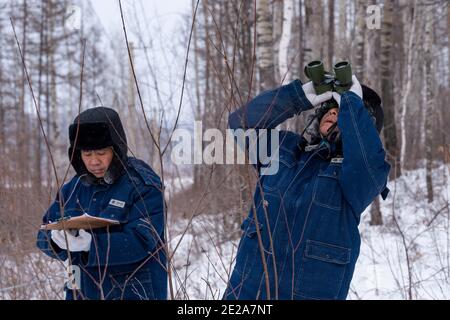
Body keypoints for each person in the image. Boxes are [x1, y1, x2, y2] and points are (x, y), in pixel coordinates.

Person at [224, 76, 390, 300]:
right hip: (245, 292)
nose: (333, 112)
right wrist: (298, 96)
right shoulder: (283, 150)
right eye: (330, 108)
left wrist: (351, 102)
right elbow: (241, 124)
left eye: (341, 111)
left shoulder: (358, 177)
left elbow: (368, 161)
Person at [36, 107, 167, 300]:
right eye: (87, 154)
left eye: (101, 152)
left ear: (116, 148)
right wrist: (55, 241)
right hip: (80, 290)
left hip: (130, 292)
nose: (94, 161)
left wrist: (92, 245)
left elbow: (143, 239)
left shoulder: (143, 185)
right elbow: (42, 232)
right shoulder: (72, 189)